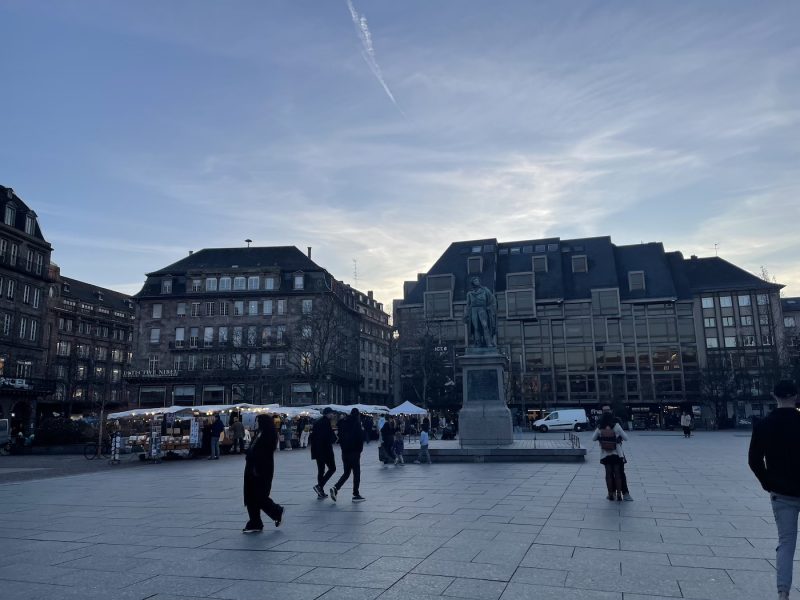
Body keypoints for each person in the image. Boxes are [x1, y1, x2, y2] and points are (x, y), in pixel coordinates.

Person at [749, 380, 800, 600]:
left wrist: (767, 482)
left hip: (781, 492)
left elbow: (754, 460)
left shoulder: (764, 424)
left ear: (773, 396)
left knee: (786, 543)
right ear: (796, 396)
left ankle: (783, 592)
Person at [242, 414, 284, 533]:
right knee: (250, 496)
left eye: (258, 421)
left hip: (261, 469)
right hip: (252, 468)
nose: (256, 423)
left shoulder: (269, 434)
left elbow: (263, 452)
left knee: (259, 496)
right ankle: (255, 522)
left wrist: (252, 455)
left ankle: (276, 511)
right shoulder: (260, 433)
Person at [330, 408, 366, 503]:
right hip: (354, 452)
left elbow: (339, 437)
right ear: (357, 415)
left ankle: (335, 488)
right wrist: (359, 450)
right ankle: (356, 494)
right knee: (356, 473)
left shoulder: (343, 423)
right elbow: (360, 438)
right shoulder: (356, 423)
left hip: (345, 452)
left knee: (346, 473)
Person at [592, 411, 629, 501]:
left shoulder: (600, 427)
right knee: (618, 474)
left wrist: (600, 437)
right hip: (616, 454)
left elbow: (593, 438)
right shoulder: (616, 426)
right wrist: (618, 437)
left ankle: (610, 494)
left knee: (608, 474)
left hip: (605, 454)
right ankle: (619, 494)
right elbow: (626, 438)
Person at [601, 405, 633, 501]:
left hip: (615, 451)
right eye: (604, 410)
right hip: (609, 451)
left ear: (611, 410)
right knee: (611, 473)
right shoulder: (601, 421)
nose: (606, 412)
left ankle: (624, 492)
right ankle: (613, 493)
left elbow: (622, 434)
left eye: (607, 410)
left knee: (619, 472)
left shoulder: (616, 421)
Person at [310, 407, 337, 498]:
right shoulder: (326, 422)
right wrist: (335, 439)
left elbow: (313, 437)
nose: (333, 415)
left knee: (321, 470)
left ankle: (320, 492)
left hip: (317, 450)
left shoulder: (317, 422)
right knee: (332, 468)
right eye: (332, 413)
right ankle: (319, 486)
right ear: (327, 414)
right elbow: (327, 437)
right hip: (325, 450)